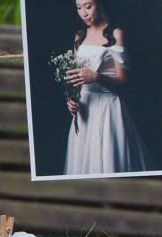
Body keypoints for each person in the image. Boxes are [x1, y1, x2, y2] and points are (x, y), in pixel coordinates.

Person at [63, 0, 152, 177]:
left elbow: (124, 80)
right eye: (79, 8)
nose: (84, 13)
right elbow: (76, 77)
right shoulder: (80, 35)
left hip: (107, 108)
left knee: (108, 160)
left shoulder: (115, 33)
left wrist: (96, 77)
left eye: (88, 6)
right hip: (84, 109)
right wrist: (71, 99)